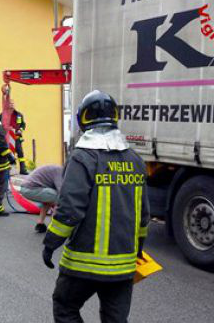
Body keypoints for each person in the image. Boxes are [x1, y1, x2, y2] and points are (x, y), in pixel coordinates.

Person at [42, 90, 150, 323]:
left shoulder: (82, 157)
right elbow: (143, 215)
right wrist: (138, 248)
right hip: (123, 266)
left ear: (83, 118)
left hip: (83, 264)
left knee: (65, 307)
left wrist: (51, 243)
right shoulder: (135, 160)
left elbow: (70, 209)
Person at [19, 165, 63, 233]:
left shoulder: (56, 169)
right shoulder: (60, 172)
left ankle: (40, 224)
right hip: (30, 189)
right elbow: (61, 191)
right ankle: (53, 228)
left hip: (27, 188)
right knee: (58, 198)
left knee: (49, 198)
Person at [0, 100, 28, 175]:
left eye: (13, 103)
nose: (11, 105)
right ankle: (8, 169)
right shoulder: (2, 115)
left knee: (20, 152)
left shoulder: (19, 115)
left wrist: (20, 130)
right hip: (6, 138)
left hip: (16, 137)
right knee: (7, 153)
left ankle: (23, 169)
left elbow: (23, 124)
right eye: (10, 103)